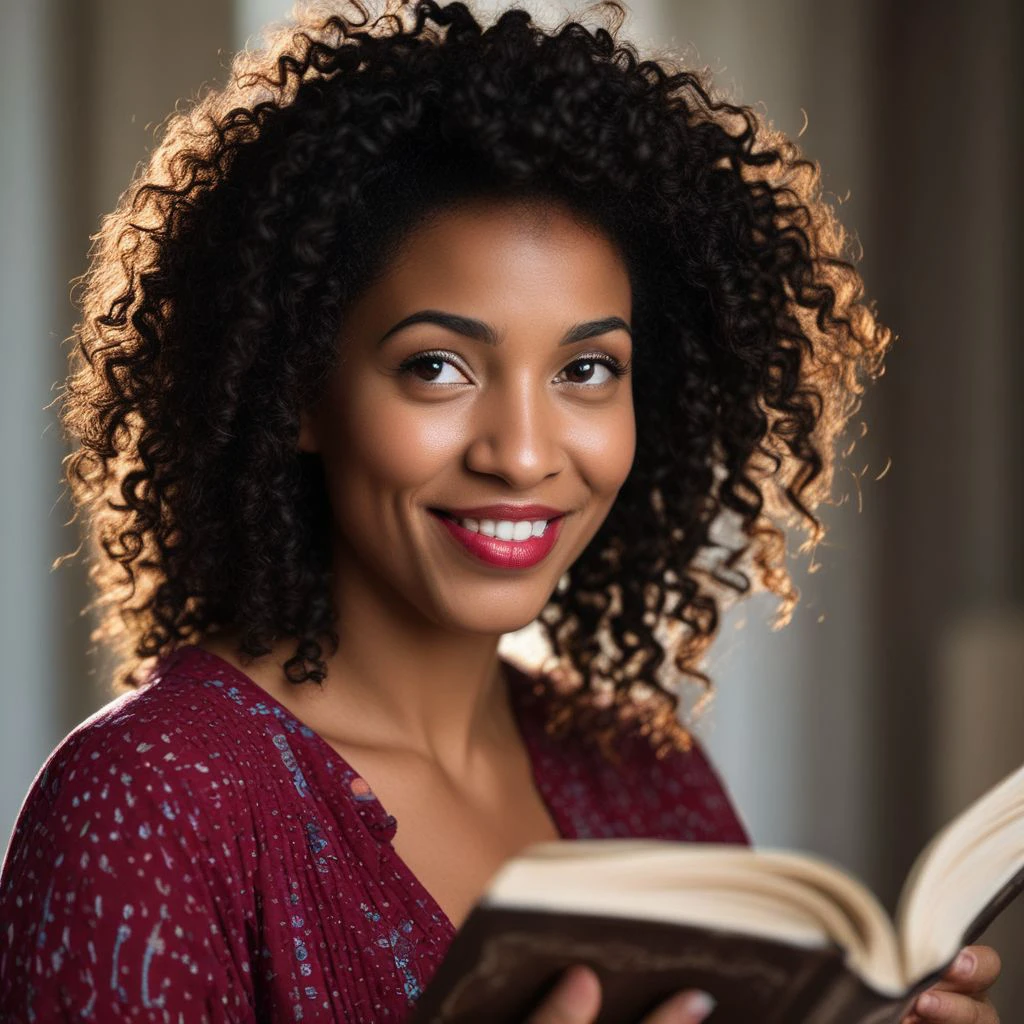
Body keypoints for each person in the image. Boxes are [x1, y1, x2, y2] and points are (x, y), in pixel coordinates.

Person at [0, 0, 1002, 1021]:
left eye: (585, 368)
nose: (522, 452)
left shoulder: (647, 778)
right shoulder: (150, 798)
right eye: (437, 367)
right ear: (298, 390)